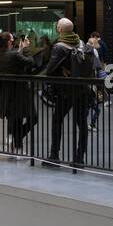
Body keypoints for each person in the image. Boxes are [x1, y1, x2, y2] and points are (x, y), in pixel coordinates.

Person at [41, 17, 98, 166]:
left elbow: (50, 71)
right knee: (82, 123)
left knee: (57, 120)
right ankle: (79, 158)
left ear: (60, 29)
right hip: (83, 90)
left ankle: (54, 155)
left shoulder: (59, 47)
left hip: (65, 91)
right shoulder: (81, 43)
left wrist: (60, 69)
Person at [0, 31, 36, 153]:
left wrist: (20, 51)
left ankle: (17, 144)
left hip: (7, 91)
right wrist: (26, 49)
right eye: (12, 39)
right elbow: (30, 62)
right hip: (20, 91)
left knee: (15, 118)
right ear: (8, 42)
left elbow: (16, 59)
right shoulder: (13, 54)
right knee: (33, 117)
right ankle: (17, 140)